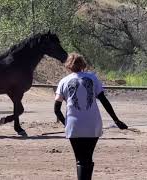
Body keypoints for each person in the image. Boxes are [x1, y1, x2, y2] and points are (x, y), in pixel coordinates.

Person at [54, 52, 128, 180]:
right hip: (93, 125)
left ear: (68, 66)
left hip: (74, 125)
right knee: (87, 158)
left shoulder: (63, 82)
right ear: (83, 64)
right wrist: (116, 120)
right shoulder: (93, 78)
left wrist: (66, 124)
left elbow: (56, 110)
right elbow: (104, 100)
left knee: (80, 159)